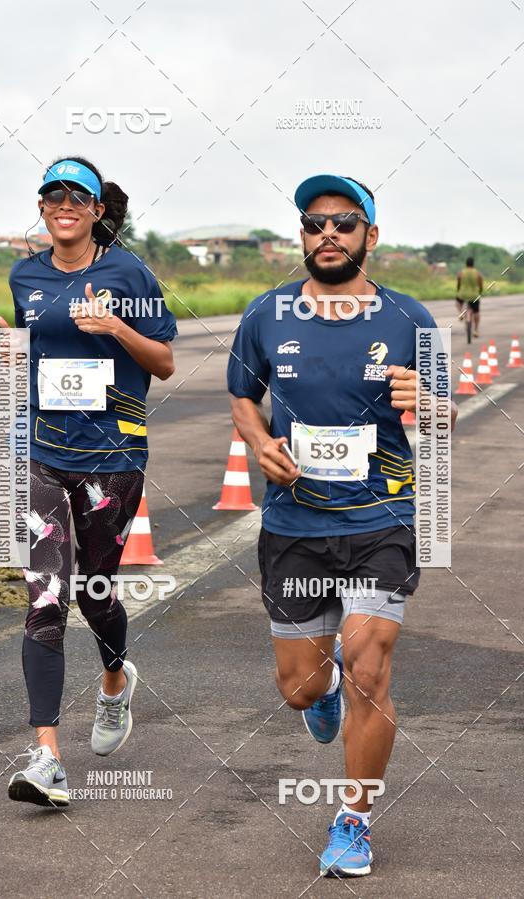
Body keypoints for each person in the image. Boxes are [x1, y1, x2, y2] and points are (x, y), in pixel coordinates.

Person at [227, 174, 457, 877]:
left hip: (380, 518)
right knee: (301, 684)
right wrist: (258, 441)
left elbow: (444, 420)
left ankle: (353, 821)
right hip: (295, 522)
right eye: (314, 223)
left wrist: (432, 401)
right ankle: (317, 694)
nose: (328, 233)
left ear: (371, 237)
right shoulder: (266, 314)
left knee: (368, 668)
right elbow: (242, 394)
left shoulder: (411, 319)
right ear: (302, 236)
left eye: (345, 223)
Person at [0, 156, 177, 807]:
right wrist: (13, 344)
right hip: (42, 454)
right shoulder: (27, 273)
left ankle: (113, 681)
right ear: (42, 205)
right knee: (46, 595)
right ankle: (47, 757)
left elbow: (165, 361)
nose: (64, 203)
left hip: (114, 458)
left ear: (98, 209)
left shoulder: (128, 274)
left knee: (97, 593)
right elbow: (33, 346)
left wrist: (116, 327)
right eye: (53, 193)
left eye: (79, 195)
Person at [456, 256, 483, 337]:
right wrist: (480, 291)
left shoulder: (461, 272)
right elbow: (480, 285)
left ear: (466, 264)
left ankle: (461, 313)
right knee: (476, 312)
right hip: (474, 295)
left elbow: (458, 284)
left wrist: (458, 291)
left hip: (463, 294)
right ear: (473, 264)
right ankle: (476, 330)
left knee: (457, 302)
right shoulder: (477, 273)